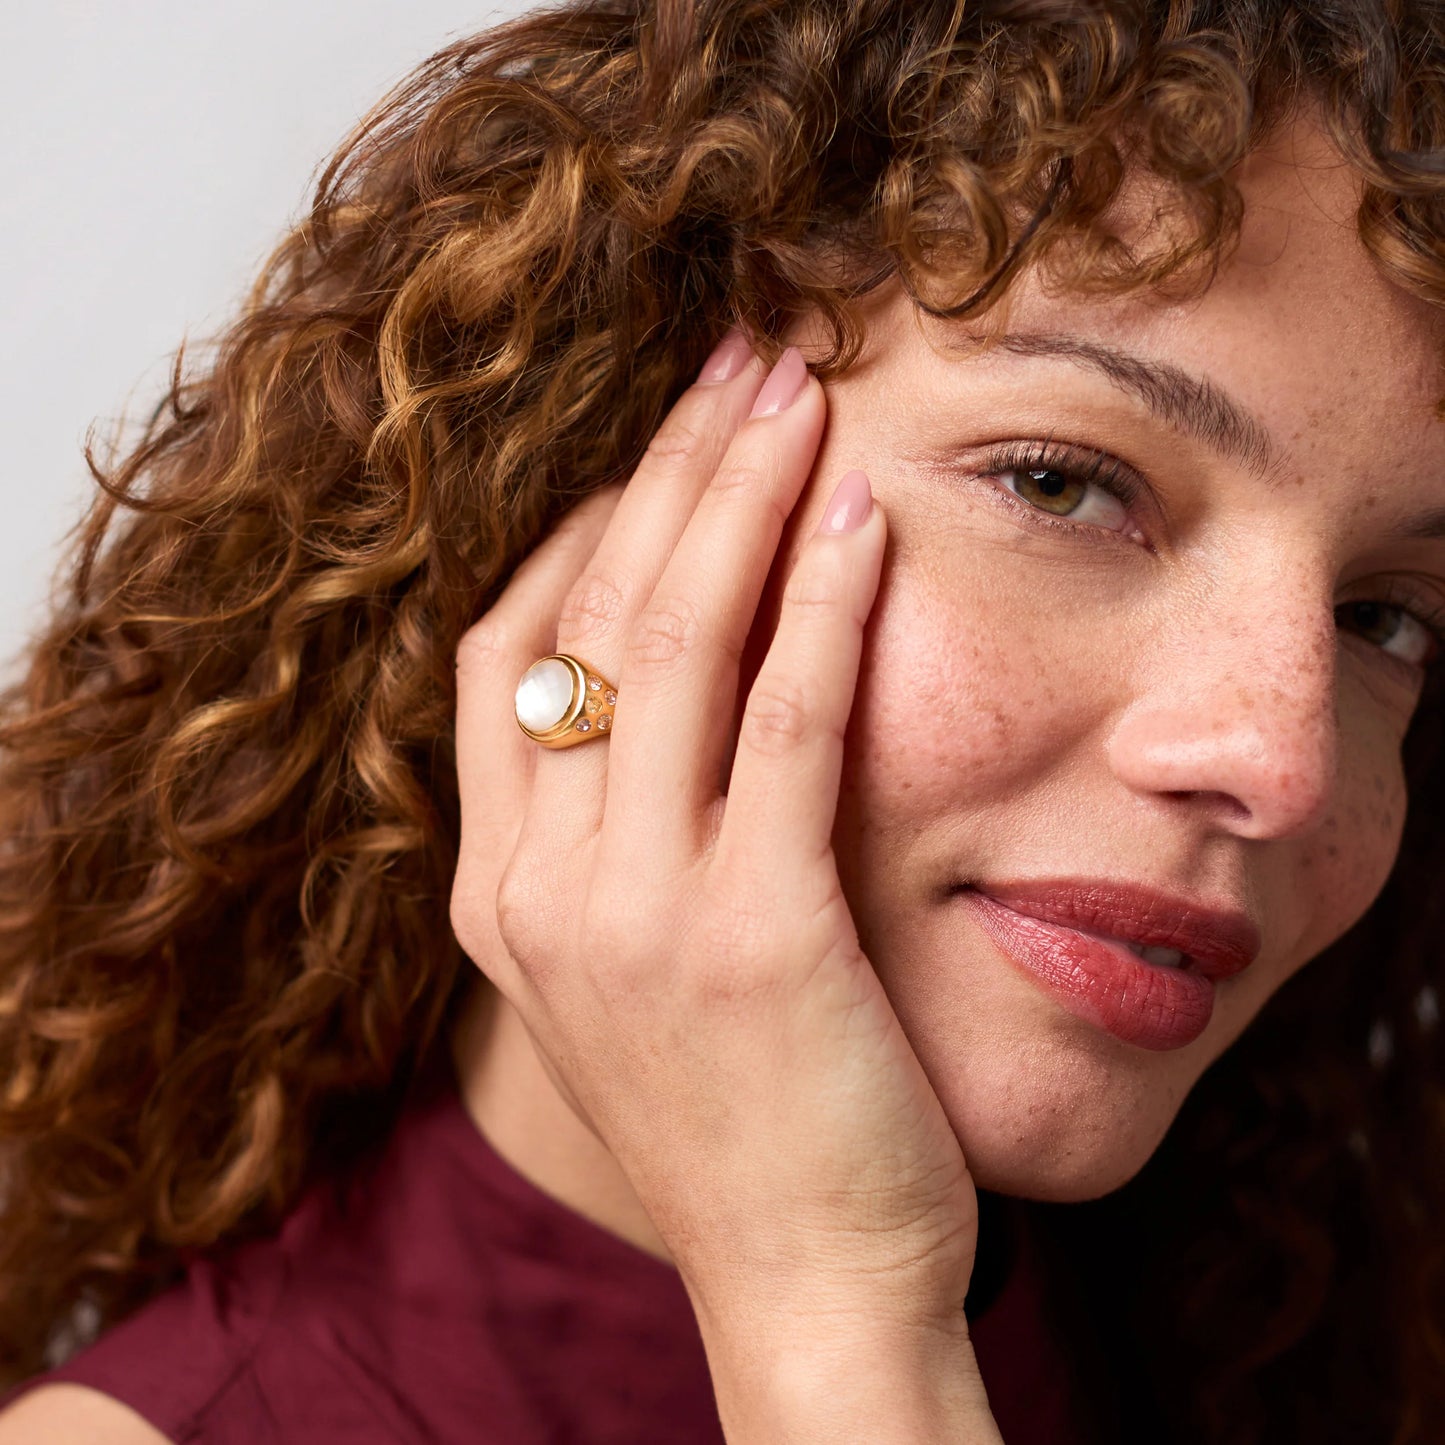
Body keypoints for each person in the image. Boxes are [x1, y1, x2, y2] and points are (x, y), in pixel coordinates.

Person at [1, 0, 1443, 1439]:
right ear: (595, 473)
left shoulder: (1289, 1357)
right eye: (1060, 484)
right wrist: (831, 1309)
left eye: (1384, 616)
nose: (1283, 761)